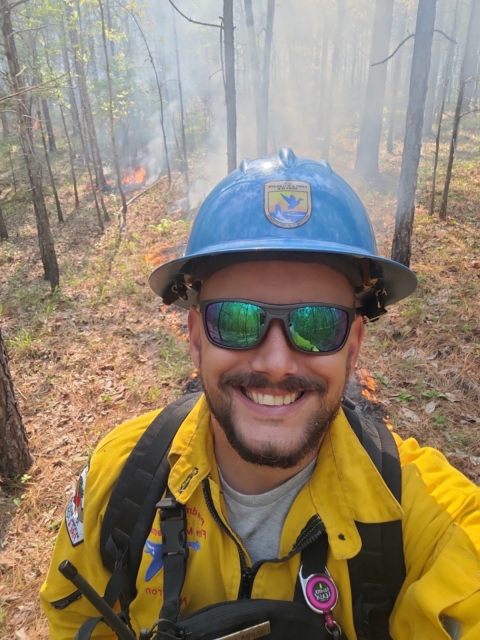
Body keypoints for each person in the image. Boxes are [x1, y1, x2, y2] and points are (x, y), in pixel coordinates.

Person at [41, 149, 480, 640]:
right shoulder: (118, 481)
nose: (275, 362)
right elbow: (74, 621)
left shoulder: (430, 520)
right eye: (236, 319)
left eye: (317, 324)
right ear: (195, 338)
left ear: (353, 347)